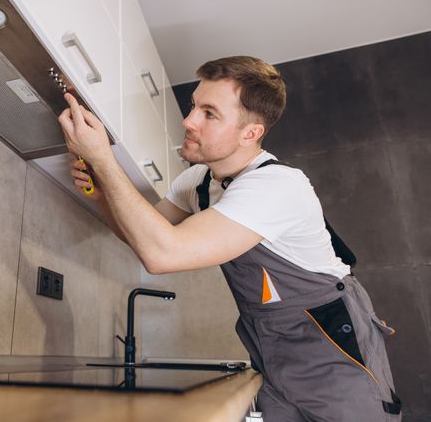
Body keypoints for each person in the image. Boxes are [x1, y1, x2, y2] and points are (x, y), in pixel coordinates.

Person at [58, 56, 400, 421]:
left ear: (250, 133)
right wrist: (100, 196)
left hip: (332, 354)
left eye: (209, 113)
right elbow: (143, 238)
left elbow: (163, 255)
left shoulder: (277, 185)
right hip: (271, 354)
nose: (188, 121)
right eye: (194, 106)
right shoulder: (197, 182)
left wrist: (105, 161)